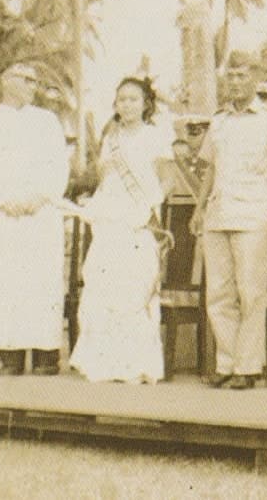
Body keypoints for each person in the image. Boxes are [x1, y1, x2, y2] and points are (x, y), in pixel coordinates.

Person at [193, 51, 267, 390]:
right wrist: (198, 208)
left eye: (242, 76)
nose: (236, 83)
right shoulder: (220, 120)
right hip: (218, 212)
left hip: (254, 212)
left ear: (254, 79)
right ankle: (227, 363)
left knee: (251, 292)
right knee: (219, 293)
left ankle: (248, 367)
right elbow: (210, 166)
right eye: (231, 76)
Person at [0, 63, 70, 376]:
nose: (33, 87)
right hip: (4, 216)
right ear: (6, 82)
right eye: (27, 81)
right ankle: (11, 355)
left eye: (35, 82)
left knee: (41, 282)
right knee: (7, 282)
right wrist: (3, 200)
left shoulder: (48, 122)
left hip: (41, 213)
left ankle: (46, 355)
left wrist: (40, 197)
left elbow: (58, 166)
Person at [69, 78, 173, 384]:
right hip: (110, 218)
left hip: (138, 218)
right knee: (103, 284)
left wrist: (148, 207)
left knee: (134, 288)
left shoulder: (156, 137)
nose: (126, 105)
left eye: (133, 99)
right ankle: (102, 362)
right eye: (121, 100)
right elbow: (105, 181)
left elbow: (168, 181)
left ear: (145, 104)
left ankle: (136, 364)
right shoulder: (109, 139)